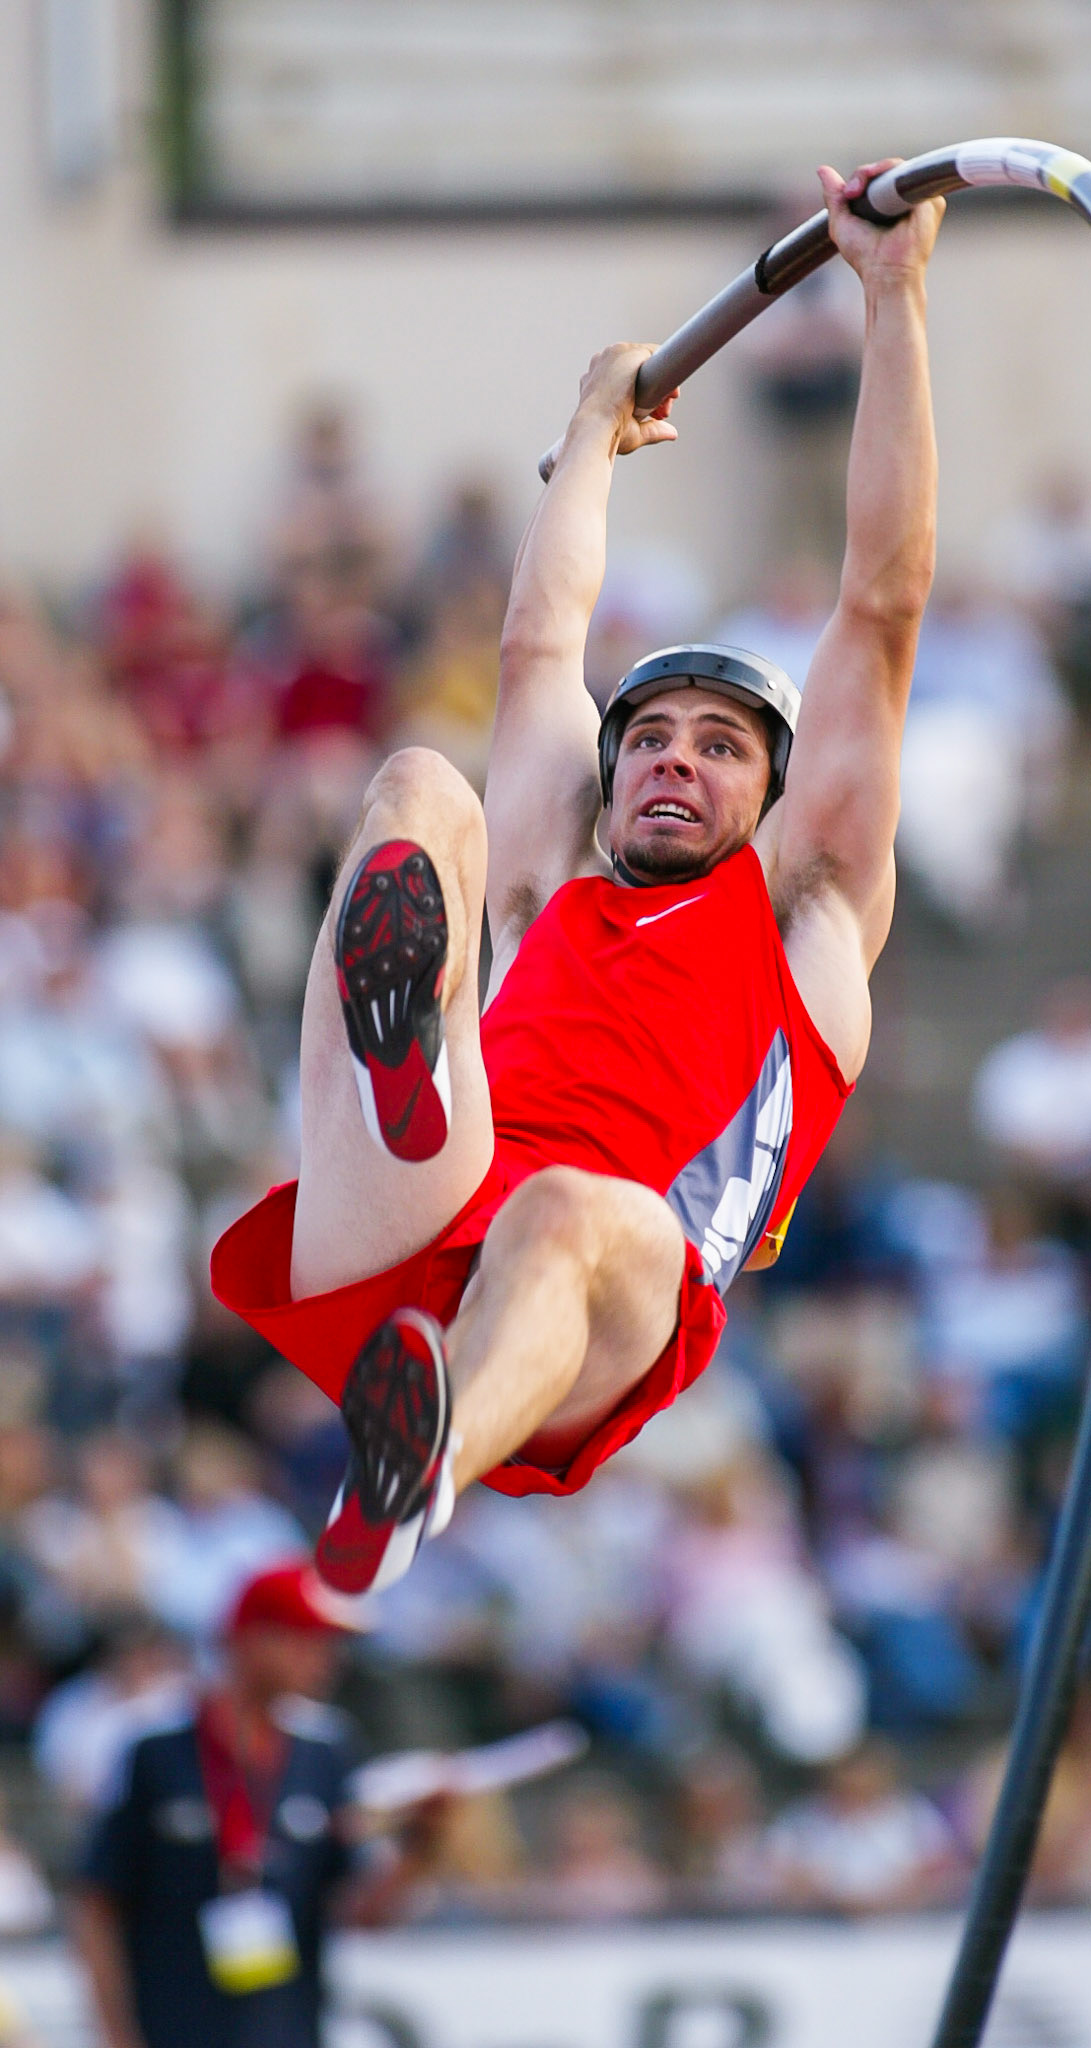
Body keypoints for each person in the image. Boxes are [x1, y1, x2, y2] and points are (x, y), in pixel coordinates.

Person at [210, 162, 944, 1599]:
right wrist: (592, 435)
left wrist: (893, 296)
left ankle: (412, 1473)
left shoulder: (811, 924)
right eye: (651, 739)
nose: (674, 761)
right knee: (423, 786)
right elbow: (541, 654)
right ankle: (408, 1061)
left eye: (720, 747)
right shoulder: (559, 887)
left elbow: (882, 600)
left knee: (567, 1213)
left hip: (600, 1305)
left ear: (776, 799)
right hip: (427, 1210)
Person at [70, 1562, 452, 2048]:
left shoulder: (326, 1752)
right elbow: (97, 1904)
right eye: (307, 1638)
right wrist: (116, 2035)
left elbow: (363, 1912)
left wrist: (423, 1842)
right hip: (171, 2029)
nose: (326, 1659)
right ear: (250, 1639)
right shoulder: (156, 1751)